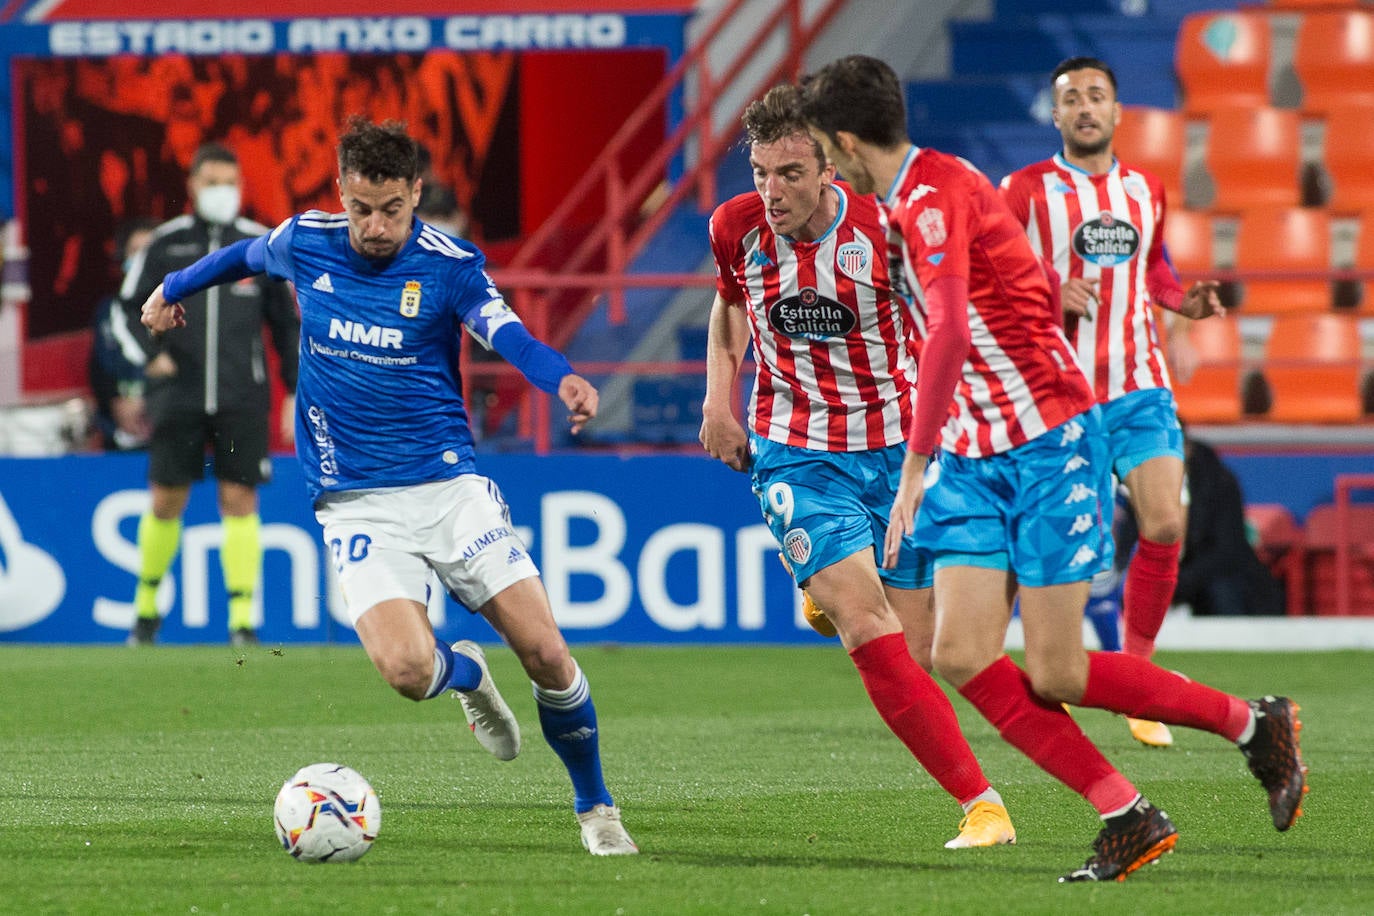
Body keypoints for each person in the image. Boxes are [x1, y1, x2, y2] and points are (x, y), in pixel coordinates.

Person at [799, 54, 1307, 883]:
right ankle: (1127, 812)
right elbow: (1006, 288)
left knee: (1057, 670)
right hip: (976, 447)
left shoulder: (928, 202)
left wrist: (913, 466)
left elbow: (955, 332)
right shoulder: (935, 188)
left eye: (824, 149)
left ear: (846, 144)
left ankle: (1253, 724)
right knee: (959, 653)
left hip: (1046, 441)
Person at [138, 116, 637, 856]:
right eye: (362, 208)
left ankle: (596, 808)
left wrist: (559, 378)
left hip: (449, 489)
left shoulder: (451, 265)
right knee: (407, 670)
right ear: (343, 194)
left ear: (416, 195)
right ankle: (468, 674)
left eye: (392, 210)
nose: (375, 226)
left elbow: (508, 335)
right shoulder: (308, 240)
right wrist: (171, 288)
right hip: (355, 498)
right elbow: (243, 255)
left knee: (547, 654)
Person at [700, 84, 1015, 850]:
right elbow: (732, 305)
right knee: (864, 624)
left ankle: (827, 588)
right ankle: (983, 805)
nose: (771, 193)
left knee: (915, 648)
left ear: (831, 169)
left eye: (790, 175)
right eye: (760, 173)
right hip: (794, 449)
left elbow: (948, 322)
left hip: (894, 451)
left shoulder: (887, 227)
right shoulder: (734, 227)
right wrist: (718, 399)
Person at [999, 57, 1227, 749]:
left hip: (1139, 386)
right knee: (1048, 551)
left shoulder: (1145, 191)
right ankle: (1027, 671)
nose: (1086, 108)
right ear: (1056, 114)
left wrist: (1178, 299)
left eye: (1097, 96)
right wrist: (1045, 288)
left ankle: (1136, 680)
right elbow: (991, 265)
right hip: (1057, 396)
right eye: (1071, 98)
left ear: (1118, 111)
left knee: (1164, 523)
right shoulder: (1026, 190)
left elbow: (1154, 266)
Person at [121, 143, 300, 647]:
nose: (222, 190)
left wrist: (292, 390)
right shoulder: (165, 243)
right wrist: (148, 355)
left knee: (239, 498)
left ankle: (242, 622)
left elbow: (287, 326)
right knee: (166, 499)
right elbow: (124, 308)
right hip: (177, 394)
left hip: (243, 397)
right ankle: (146, 612)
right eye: (212, 181)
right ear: (193, 187)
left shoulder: (261, 246)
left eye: (230, 181)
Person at [89, 218, 158, 451]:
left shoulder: (181, 311)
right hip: (118, 429)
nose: (142, 260)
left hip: (169, 427)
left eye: (149, 252)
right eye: (135, 251)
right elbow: (100, 366)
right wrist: (117, 403)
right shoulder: (107, 311)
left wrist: (150, 404)